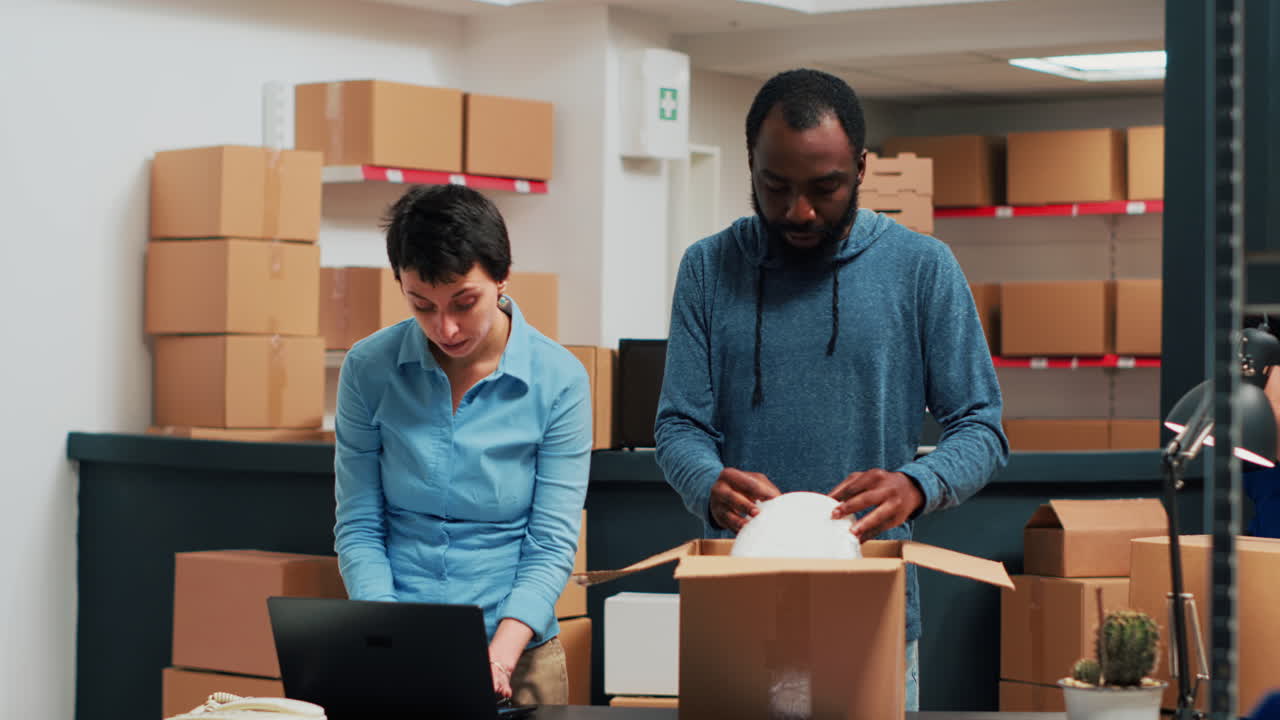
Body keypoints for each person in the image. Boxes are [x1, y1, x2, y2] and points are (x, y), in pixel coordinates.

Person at [654, 68, 1009, 710]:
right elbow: (679, 424)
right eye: (776, 186)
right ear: (751, 166)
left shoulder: (921, 268)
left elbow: (982, 425)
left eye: (825, 188)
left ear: (862, 168)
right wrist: (704, 480)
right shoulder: (707, 268)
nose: (799, 211)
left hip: (870, 610)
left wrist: (917, 485)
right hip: (737, 606)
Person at [333, 184, 592, 704]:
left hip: (516, 650)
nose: (445, 327)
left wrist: (501, 653)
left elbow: (551, 542)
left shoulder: (559, 379)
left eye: (464, 302)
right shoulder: (368, 368)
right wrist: (389, 635)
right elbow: (359, 523)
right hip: (398, 644)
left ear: (501, 277)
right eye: (422, 305)